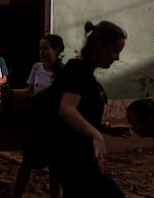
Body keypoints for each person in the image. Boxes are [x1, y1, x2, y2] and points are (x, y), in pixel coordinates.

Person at [48, 20, 131, 198]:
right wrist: (96, 135)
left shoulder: (84, 73)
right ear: (100, 46)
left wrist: (106, 129)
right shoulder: (77, 71)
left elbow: (81, 116)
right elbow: (67, 110)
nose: (116, 58)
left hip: (78, 159)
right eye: (115, 51)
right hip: (73, 159)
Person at [12, 34, 65, 198]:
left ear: (56, 50)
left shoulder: (63, 72)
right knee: (26, 163)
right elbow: (30, 92)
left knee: (55, 169)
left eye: (46, 48)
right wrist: (10, 92)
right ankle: (16, 195)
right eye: (40, 48)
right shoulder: (37, 67)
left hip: (55, 123)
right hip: (36, 121)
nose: (42, 52)